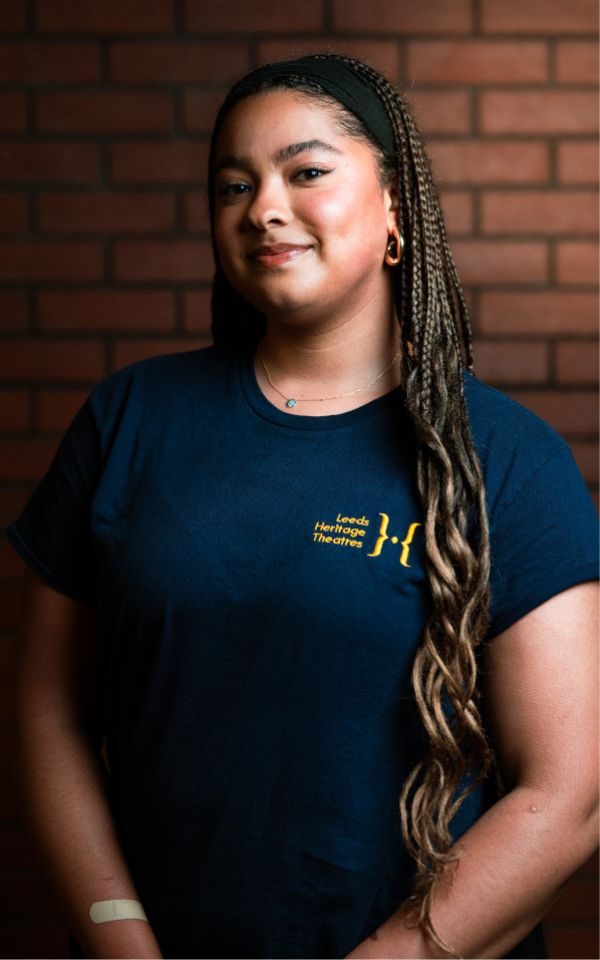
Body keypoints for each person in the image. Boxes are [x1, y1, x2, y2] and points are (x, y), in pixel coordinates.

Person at [6, 53, 598, 960]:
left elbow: (569, 796)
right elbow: (51, 711)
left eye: (306, 171)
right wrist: (118, 936)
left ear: (395, 208)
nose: (264, 208)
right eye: (233, 185)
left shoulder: (508, 459)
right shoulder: (130, 420)